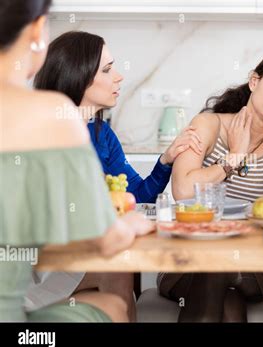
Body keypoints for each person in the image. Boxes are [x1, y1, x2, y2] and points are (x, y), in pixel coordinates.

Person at [30, 30, 202, 322]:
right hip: (41, 263)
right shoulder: (44, 133)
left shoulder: (101, 132)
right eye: (108, 70)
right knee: (118, 267)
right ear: (78, 76)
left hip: (82, 251)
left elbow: (137, 196)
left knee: (119, 268)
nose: (119, 77)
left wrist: (166, 160)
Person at [0, 0, 155, 322]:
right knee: (114, 301)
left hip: (37, 279)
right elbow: (107, 237)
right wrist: (130, 223)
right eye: (108, 70)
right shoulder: (53, 115)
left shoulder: (90, 128)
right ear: (37, 31)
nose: (119, 78)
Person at [158, 50, 263, 322]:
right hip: (188, 260)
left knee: (220, 268)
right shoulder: (207, 125)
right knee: (228, 296)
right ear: (254, 81)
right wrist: (231, 160)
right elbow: (183, 190)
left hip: (252, 266)